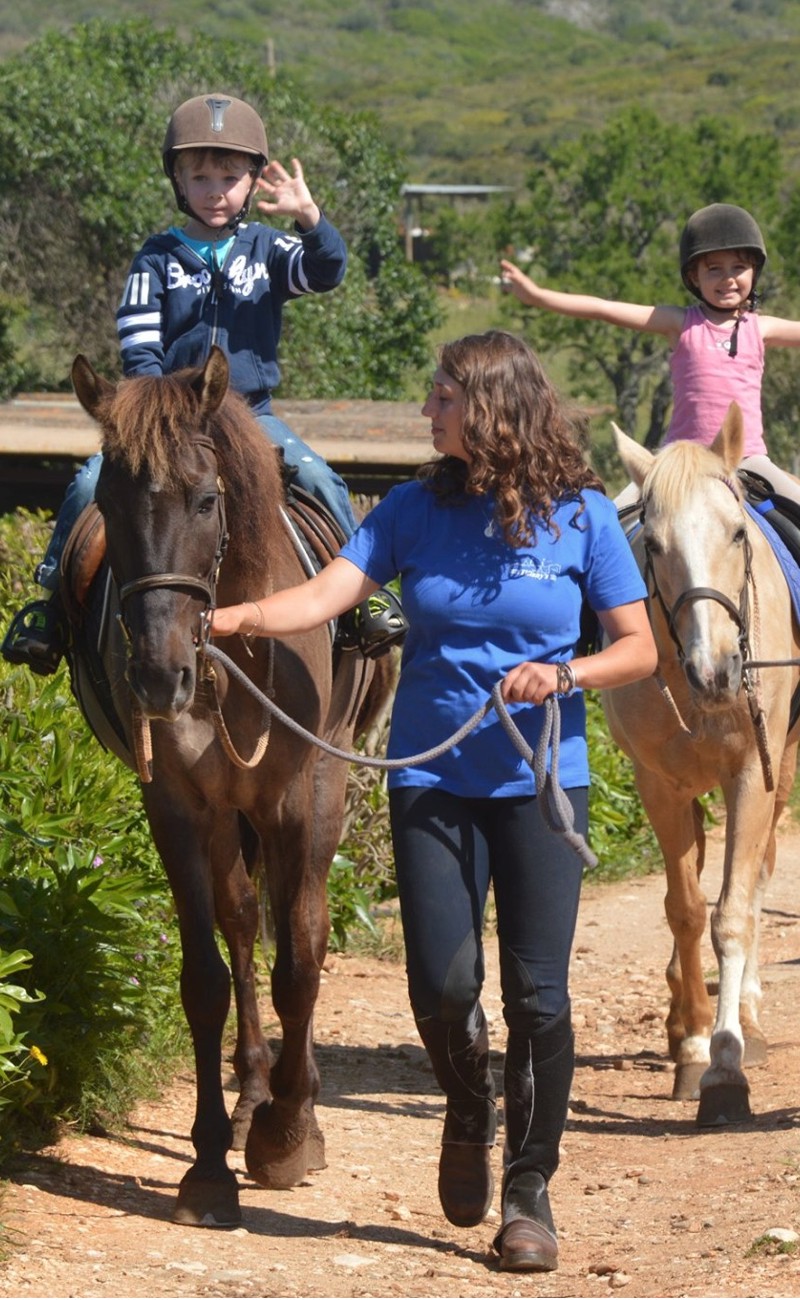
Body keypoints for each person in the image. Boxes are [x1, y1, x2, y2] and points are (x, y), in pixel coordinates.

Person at [210, 330, 657, 1272]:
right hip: (431, 779)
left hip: (537, 784)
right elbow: (331, 593)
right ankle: (468, 1106)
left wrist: (564, 672)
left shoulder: (583, 518)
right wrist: (235, 618)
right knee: (444, 988)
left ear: (490, 404)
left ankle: (530, 1191)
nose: (428, 411)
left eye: (443, 397)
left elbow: (639, 649)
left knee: (539, 1000)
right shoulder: (412, 510)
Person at [2, 92, 406, 674]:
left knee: (319, 476)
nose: (215, 189)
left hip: (251, 413)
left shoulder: (267, 249)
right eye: (200, 177)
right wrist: (154, 419)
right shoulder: (156, 259)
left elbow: (326, 272)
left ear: (250, 183)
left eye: (229, 176)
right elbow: (140, 349)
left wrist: (309, 217)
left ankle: (358, 600)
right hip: (168, 420)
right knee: (89, 481)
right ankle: (50, 610)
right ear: (179, 183)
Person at [500, 203, 800, 508]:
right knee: (614, 517)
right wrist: (537, 296)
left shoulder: (761, 328)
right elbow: (603, 308)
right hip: (679, 459)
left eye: (738, 267)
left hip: (748, 457)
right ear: (694, 277)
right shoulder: (679, 322)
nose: (728, 278)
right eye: (714, 269)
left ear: (754, 271)